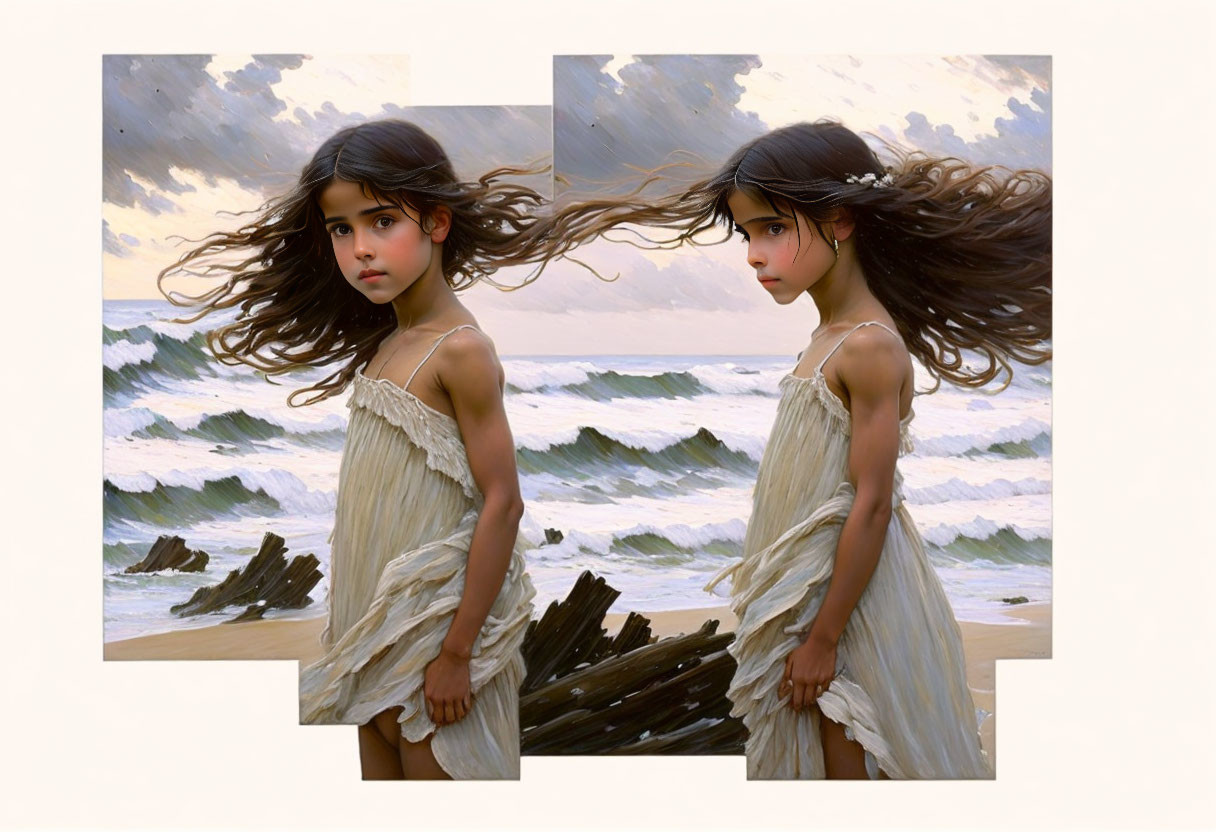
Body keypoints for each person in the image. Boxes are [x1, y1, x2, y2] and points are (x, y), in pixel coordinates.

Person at [534, 120, 1051, 778]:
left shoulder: (868, 344)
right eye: (747, 233)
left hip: (855, 603)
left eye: (773, 229)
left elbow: (870, 505)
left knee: (851, 760)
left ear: (839, 220)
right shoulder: (829, 335)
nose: (753, 253)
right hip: (819, 591)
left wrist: (824, 637)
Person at [158, 119, 550, 780]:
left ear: (437, 224)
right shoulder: (389, 342)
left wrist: (457, 654)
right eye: (342, 230)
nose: (361, 249)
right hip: (369, 635)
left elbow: (503, 505)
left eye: (381, 222)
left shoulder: (459, 349)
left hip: (430, 636)